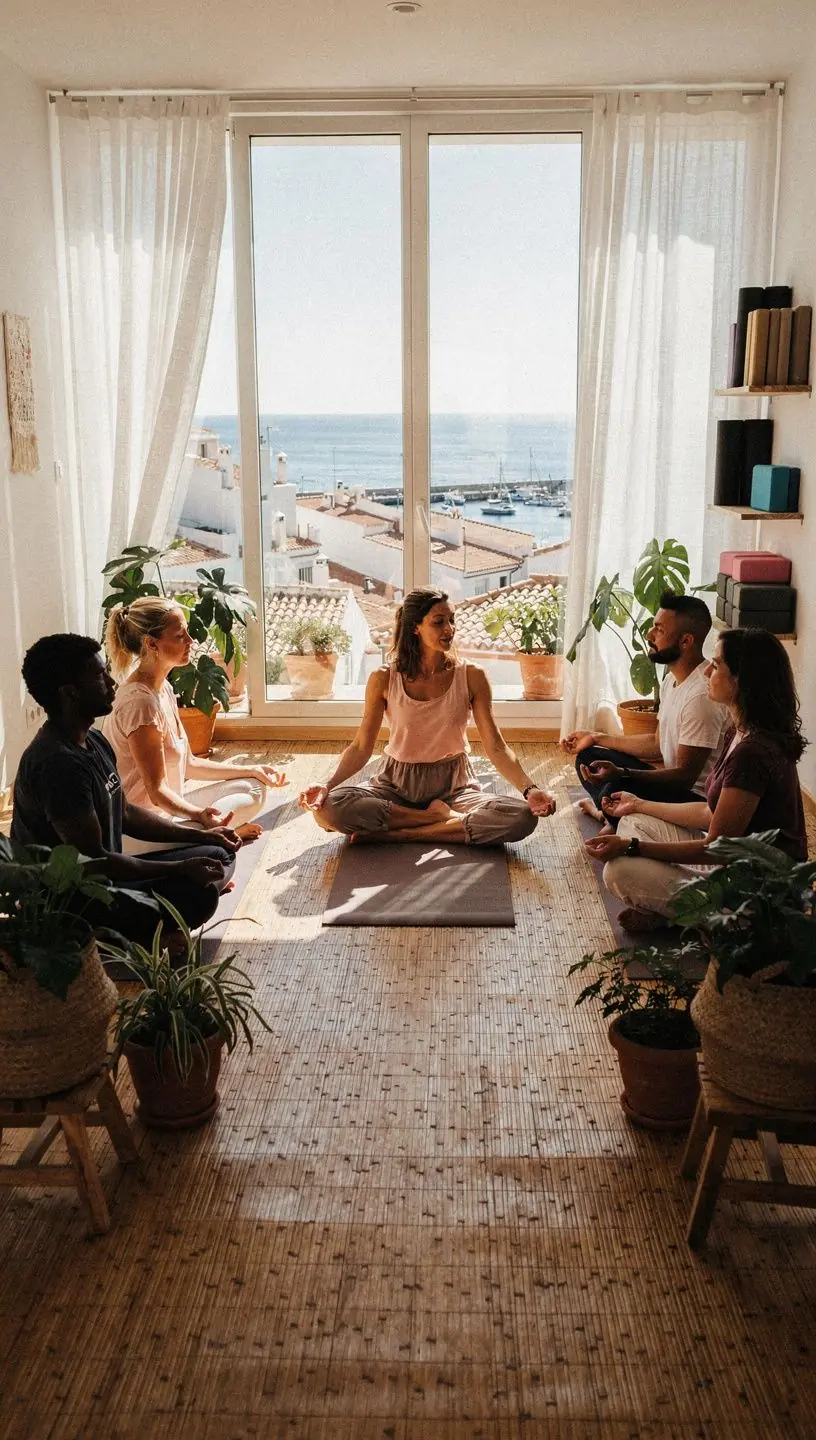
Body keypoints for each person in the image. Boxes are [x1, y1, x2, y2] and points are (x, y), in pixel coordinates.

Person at [12, 633, 242, 955]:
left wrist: (200, 834)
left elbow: (125, 814)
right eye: (99, 676)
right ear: (70, 693)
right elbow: (95, 862)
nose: (111, 681)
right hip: (72, 903)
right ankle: (110, 936)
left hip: (110, 878)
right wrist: (179, 868)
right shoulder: (57, 764)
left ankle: (151, 925)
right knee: (199, 894)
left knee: (218, 853)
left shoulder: (93, 739)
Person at [584, 628, 808, 931]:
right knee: (634, 820)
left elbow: (715, 849)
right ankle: (675, 913)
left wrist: (632, 847)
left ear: (741, 680)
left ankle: (710, 923)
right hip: (731, 867)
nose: (706, 673)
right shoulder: (739, 731)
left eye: (716, 666)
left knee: (619, 870)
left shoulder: (753, 753)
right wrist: (638, 804)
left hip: (755, 897)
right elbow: (709, 812)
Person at [298, 587, 556, 844]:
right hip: (394, 785)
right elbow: (361, 747)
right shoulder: (384, 679)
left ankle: (404, 832)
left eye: (452, 620)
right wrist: (326, 785)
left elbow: (496, 747)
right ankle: (434, 820)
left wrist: (530, 790)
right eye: (439, 622)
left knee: (522, 817)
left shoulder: (472, 676)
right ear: (415, 627)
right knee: (328, 809)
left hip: (455, 787)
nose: (449, 629)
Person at [103, 598, 285, 848]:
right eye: (180, 635)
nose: (190, 641)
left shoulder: (163, 688)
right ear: (151, 643)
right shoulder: (139, 704)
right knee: (232, 814)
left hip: (168, 814)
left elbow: (188, 764)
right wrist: (198, 815)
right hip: (142, 832)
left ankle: (215, 836)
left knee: (253, 786)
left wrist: (252, 769)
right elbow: (156, 792)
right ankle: (213, 838)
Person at [562, 591, 730, 826]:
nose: (649, 635)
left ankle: (613, 818)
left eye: (659, 630)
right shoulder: (672, 681)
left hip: (692, 801)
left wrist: (621, 773)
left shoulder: (701, 696)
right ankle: (612, 818)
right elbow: (655, 744)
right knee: (589, 756)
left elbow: (684, 777)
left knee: (615, 785)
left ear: (686, 641)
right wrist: (595, 737)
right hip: (673, 785)